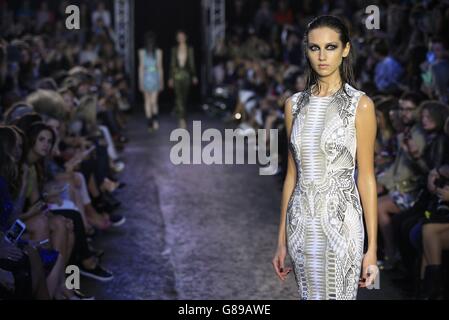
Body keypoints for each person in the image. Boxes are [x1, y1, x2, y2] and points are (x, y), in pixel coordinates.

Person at [272, 15, 379, 300]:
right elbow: (292, 176)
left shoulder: (361, 105)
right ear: (306, 50)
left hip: (343, 224)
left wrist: (372, 250)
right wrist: (281, 240)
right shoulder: (293, 105)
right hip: (301, 225)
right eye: (314, 47)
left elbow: (366, 176)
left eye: (330, 47)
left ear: (345, 49)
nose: (321, 56)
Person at [168, 30, 198, 129]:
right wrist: (170, 78)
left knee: (184, 98)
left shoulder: (190, 49)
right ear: (177, 38)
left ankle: (181, 114)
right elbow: (172, 64)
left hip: (186, 75)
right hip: (176, 75)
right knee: (179, 97)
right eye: (179, 36)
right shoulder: (174, 49)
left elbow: (192, 63)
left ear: (185, 37)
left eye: (182, 36)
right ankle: (182, 120)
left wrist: (194, 75)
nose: (180, 38)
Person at [139, 31, 163, 132]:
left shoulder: (158, 52)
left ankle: (155, 120)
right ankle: (150, 122)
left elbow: (160, 67)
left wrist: (161, 81)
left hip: (154, 76)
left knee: (154, 101)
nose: (150, 42)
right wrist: (140, 82)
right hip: (146, 77)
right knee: (148, 101)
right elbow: (141, 67)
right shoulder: (141, 52)